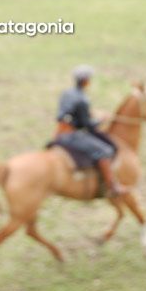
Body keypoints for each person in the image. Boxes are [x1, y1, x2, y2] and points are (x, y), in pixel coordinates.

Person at [55, 65, 126, 197]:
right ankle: (112, 186)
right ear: (86, 80)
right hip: (72, 134)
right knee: (105, 151)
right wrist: (102, 120)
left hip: (59, 132)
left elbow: (70, 113)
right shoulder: (83, 99)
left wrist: (91, 114)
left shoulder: (67, 93)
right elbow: (86, 126)